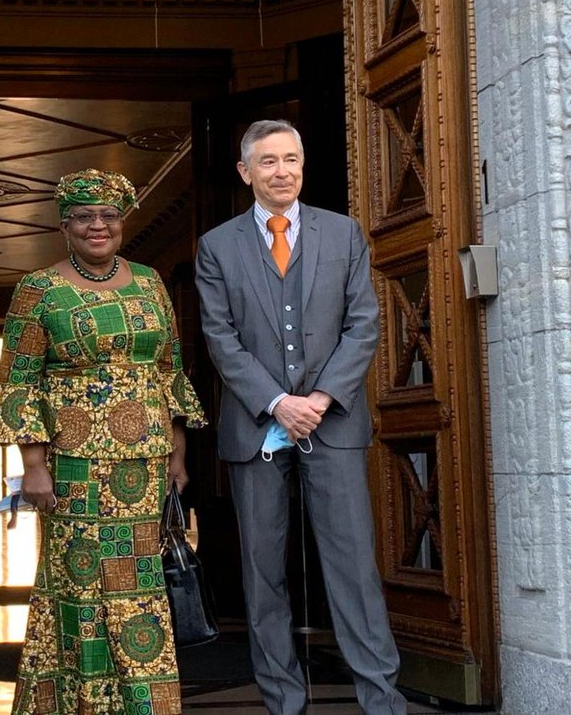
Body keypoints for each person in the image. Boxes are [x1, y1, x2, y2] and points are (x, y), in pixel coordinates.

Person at [195, 120, 406, 715]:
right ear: (246, 172)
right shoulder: (217, 246)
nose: (282, 170)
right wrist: (277, 403)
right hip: (256, 427)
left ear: (303, 166)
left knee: (352, 569)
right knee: (264, 577)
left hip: (332, 423)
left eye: (291, 159)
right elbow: (220, 338)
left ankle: (381, 700)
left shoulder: (343, 234)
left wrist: (319, 399)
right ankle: (283, 702)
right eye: (268, 162)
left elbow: (363, 324)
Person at [0, 169, 207, 715]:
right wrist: (32, 466)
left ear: (122, 220)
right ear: (65, 225)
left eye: (108, 215)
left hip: (144, 466)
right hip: (73, 466)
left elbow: (169, 369)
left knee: (139, 586)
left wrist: (176, 450)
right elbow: (18, 381)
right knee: (81, 587)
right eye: (85, 217)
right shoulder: (38, 290)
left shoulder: (152, 282)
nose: (98, 226)